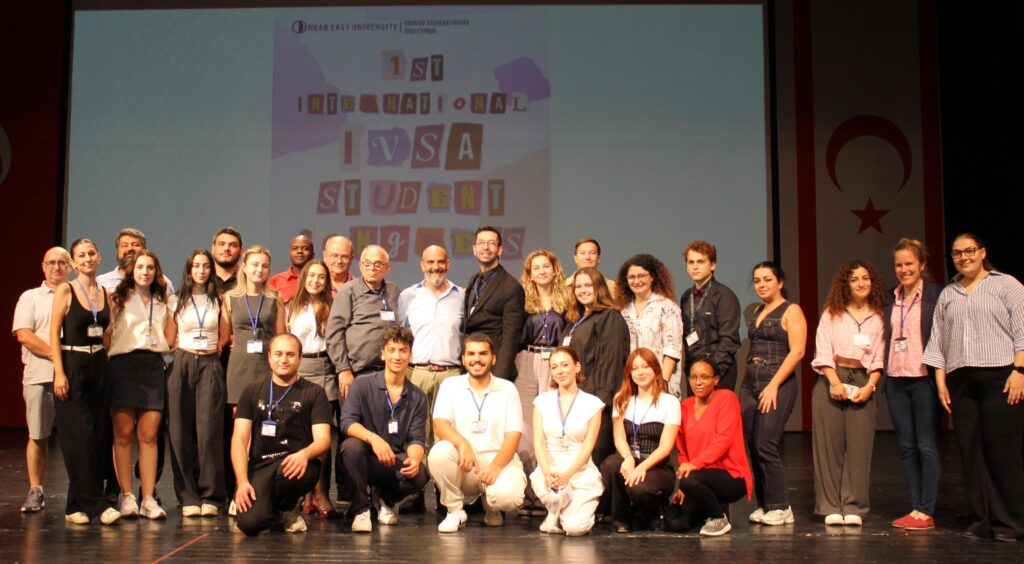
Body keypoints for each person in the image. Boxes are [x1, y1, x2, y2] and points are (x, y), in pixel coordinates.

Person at [923, 233, 1024, 542]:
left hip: (1001, 376)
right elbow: (938, 340)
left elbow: (1022, 330)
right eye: (957, 253)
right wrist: (940, 380)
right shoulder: (949, 293)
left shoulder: (1006, 285)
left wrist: (1019, 370)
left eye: (969, 251)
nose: (963, 257)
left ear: (982, 252)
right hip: (961, 380)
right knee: (971, 450)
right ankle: (982, 519)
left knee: (1002, 450)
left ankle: (1010, 523)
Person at [49, 239, 121, 525]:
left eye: (92, 253)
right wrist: (59, 372)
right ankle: (96, 504)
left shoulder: (105, 293)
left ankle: (74, 506)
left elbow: (107, 333)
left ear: (99, 257)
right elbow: (54, 333)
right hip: (72, 363)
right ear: (73, 262)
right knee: (81, 436)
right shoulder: (66, 290)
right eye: (81, 255)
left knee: (97, 437)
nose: (88, 258)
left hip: (99, 364)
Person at [231, 334, 332, 536]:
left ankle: (289, 506)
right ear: (269, 357)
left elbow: (324, 440)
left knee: (291, 476)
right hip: (262, 465)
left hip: (298, 463)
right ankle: (277, 510)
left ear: (300, 358)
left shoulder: (315, 392)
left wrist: (304, 455)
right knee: (249, 524)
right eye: (278, 354)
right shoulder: (251, 391)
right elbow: (239, 440)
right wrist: (242, 482)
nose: (284, 359)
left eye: (290, 354)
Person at [811, 259, 885, 526]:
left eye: (865, 278)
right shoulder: (832, 313)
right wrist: (834, 382)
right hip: (831, 378)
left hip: (864, 379)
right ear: (846, 284)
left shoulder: (878, 317)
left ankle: (854, 505)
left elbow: (879, 357)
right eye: (855, 279)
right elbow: (822, 350)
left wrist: (870, 386)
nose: (861, 283)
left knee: (859, 447)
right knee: (828, 447)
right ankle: (830, 505)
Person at [428, 334, 527, 532]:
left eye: (483, 354)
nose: (477, 359)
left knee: (508, 497)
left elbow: (513, 435)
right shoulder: (450, 385)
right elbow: (439, 424)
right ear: (463, 360)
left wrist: (496, 467)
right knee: (439, 453)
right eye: (471, 354)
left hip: (498, 461)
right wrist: (463, 445)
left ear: (493, 358)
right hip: (465, 464)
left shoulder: (507, 389)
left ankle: (492, 507)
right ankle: (455, 511)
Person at [338, 326, 429, 532]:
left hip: (393, 460)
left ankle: (386, 500)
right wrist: (373, 439)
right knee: (351, 447)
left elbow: (416, 439)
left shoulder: (417, 397)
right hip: (365, 458)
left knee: (421, 474)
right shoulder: (362, 384)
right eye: (391, 350)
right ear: (382, 354)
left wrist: (415, 460)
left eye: (403, 350)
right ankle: (361, 510)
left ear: (411, 355)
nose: (397, 356)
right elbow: (347, 422)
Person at [107, 250, 173, 520]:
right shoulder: (117, 299)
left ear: (157, 272)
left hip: (152, 367)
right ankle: (127, 496)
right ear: (131, 271)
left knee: (149, 435)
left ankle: (148, 498)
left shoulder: (163, 301)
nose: (145, 272)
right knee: (123, 434)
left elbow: (170, 336)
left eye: (150, 268)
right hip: (123, 366)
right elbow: (107, 335)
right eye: (140, 267)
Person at [883, 238, 942, 531]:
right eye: (899, 265)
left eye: (909, 263)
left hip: (923, 379)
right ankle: (915, 506)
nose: (903, 269)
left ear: (921, 265)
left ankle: (926, 510)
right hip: (895, 379)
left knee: (925, 444)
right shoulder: (889, 297)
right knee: (906, 446)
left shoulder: (936, 295)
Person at [742, 262, 806, 526]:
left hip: (777, 382)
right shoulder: (757, 310)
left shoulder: (791, 310)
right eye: (757, 280)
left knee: (766, 444)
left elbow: (798, 351)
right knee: (752, 444)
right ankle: (765, 504)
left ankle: (781, 506)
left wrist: (773, 385)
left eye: (767, 279)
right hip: (751, 383)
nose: (761, 285)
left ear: (780, 282)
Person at [166, 249, 227, 517]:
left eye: (206, 266)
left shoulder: (220, 300)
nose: (201, 271)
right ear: (189, 270)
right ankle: (187, 496)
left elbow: (224, 336)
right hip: (182, 363)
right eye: (196, 266)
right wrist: (183, 353)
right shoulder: (176, 300)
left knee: (209, 432)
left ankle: (211, 495)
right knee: (180, 433)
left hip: (210, 364)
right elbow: (170, 338)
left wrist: (212, 349)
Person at [12, 247, 71, 513]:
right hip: (40, 376)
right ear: (43, 266)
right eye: (52, 263)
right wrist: (55, 357)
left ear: (70, 266)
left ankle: (81, 493)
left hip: (74, 377)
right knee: (38, 435)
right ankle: (36, 490)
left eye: (62, 262)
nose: (57, 267)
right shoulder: (30, 297)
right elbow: (24, 334)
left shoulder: (78, 295)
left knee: (78, 437)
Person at [665, 360, 753, 536]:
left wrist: (693, 468)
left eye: (704, 377)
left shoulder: (726, 398)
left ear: (716, 380)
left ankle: (718, 517)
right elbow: (682, 450)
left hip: (730, 475)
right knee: (675, 523)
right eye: (694, 377)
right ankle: (711, 509)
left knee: (690, 481)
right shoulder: (685, 406)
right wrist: (684, 483)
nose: (698, 382)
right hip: (698, 477)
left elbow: (723, 440)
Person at [599, 348, 680, 533]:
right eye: (634, 368)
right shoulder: (621, 399)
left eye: (645, 367)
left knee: (640, 488)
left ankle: (650, 514)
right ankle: (621, 518)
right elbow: (619, 436)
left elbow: (666, 446)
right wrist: (628, 457)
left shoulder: (670, 402)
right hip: (631, 458)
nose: (640, 372)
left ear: (655, 369)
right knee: (610, 466)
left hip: (657, 465)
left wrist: (642, 467)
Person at [515, 249, 571, 513]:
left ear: (554, 269)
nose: (541, 271)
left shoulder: (567, 300)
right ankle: (528, 495)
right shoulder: (522, 300)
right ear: (529, 274)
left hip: (555, 363)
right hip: (526, 360)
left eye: (545, 266)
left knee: (550, 425)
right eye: (535, 268)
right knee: (526, 428)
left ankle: (548, 493)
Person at [530, 346, 604, 536]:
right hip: (550, 467)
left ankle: (565, 514)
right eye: (554, 367)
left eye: (564, 365)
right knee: (556, 494)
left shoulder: (592, 404)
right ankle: (555, 510)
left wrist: (567, 475)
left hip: (578, 469)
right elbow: (539, 442)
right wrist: (547, 472)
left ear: (577, 367)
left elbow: (588, 446)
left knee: (575, 528)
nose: (559, 371)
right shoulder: (542, 401)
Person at [286, 259, 338, 518]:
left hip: (325, 368)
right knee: (301, 435)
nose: (316, 281)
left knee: (322, 436)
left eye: (321, 277)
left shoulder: (333, 306)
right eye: (312, 276)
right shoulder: (290, 306)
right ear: (303, 279)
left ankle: (320, 492)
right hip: (299, 368)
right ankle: (305, 495)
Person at [563, 266, 630, 465]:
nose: (582, 290)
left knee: (594, 461)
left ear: (599, 288)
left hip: (597, 403)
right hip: (575, 399)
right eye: (578, 286)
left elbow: (610, 363)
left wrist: (599, 403)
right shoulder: (575, 319)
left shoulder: (610, 317)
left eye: (588, 285)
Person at [398, 245, 464, 445]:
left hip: (450, 375)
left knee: (446, 437)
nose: (436, 267)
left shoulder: (462, 296)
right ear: (422, 265)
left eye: (440, 262)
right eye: (430, 262)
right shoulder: (407, 296)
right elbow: (401, 334)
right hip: (416, 374)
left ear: (448, 264)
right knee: (416, 434)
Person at [327, 244, 401, 396]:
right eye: (367, 264)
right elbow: (334, 333)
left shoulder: (394, 292)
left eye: (378, 264)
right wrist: (343, 369)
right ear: (360, 266)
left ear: (387, 268)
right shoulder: (348, 291)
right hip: (356, 374)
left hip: (389, 373)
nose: (372, 268)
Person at [224, 246, 286, 405]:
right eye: (255, 264)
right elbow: (224, 336)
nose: (260, 269)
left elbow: (281, 337)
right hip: (240, 365)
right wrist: (234, 340)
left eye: (265, 266)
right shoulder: (230, 297)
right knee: (240, 416)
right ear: (244, 267)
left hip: (266, 364)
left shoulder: (275, 298)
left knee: (266, 414)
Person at [463, 226, 526, 381]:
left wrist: (500, 376)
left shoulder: (511, 287)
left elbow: (511, 336)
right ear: (474, 249)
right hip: (471, 364)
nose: (486, 247)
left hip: (494, 368)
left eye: (491, 243)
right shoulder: (473, 280)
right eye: (481, 243)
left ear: (500, 250)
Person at [617, 254, 684, 396]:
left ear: (652, 277)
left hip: (660, 386)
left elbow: (672, 349)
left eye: (641, 276)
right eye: (631, 277)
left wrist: (662, 382)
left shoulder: (667, 307)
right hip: (632, 386)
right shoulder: (623, 311)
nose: (636, 281)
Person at [679, 240, 741, 391]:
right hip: (694, 372)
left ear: (713, 265)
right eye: (691, 262)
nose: (695, 266)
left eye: (700, 262)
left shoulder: (724, 296)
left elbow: (729, 340)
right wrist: (692, 372)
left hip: (718, 372)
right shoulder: (686, 296)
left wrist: (711, 372)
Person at [96, 227, 174, 291]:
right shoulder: (102, 282)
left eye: (135, 245)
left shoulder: (163, 283)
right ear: (117, 250)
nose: (130, 248)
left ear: (144, 250)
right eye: (124, 245)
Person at [268, 232, 315, 303]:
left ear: (312, 255)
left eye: (305, 248)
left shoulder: (319, 281)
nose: (299, 251)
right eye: (295, 248)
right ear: (290, 253)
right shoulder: (275, 281)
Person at [211, 227, 243, 294]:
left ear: (241, 252)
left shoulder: (247, 280)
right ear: (213, 249)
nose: (226, 248)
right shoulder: (203, 278)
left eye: (233, 245)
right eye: (221, 244)